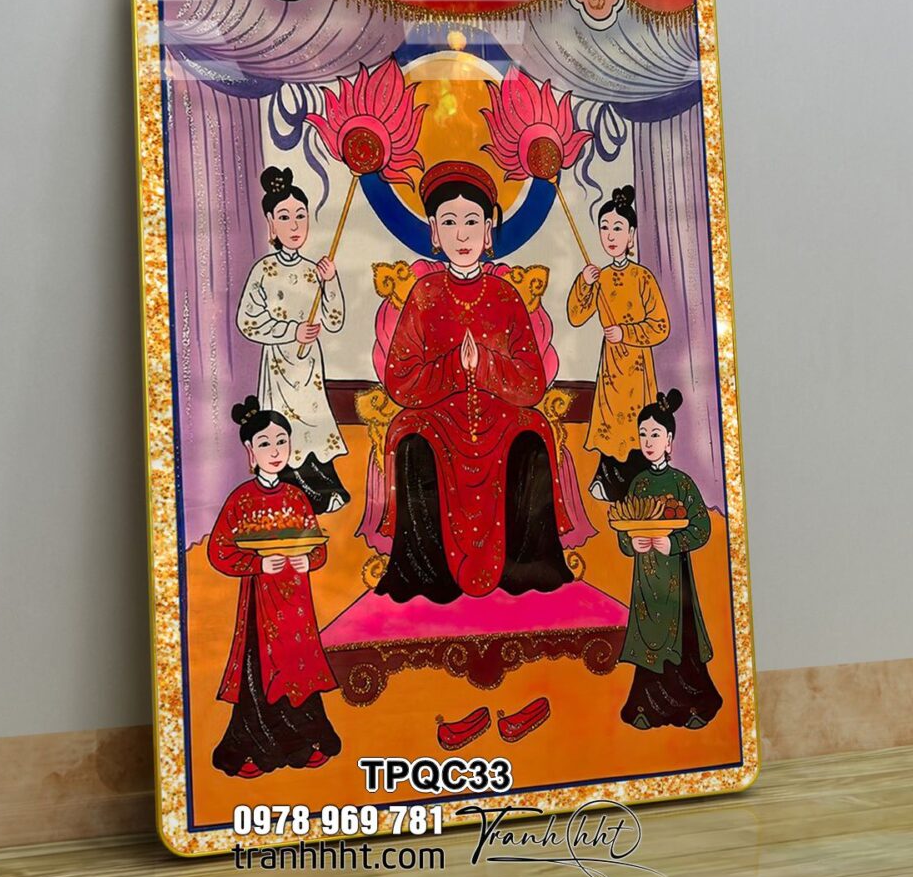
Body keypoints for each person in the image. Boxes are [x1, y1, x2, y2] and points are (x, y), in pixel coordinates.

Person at [375, 159, 574, 603]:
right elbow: (399, 380)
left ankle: (527, 568)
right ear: (434, 231)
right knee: (411, 444)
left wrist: (484, 364)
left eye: (471, 222)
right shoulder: (424, 295)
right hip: (438, 420)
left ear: (488, 232)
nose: (461, 235)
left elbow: (532, 383)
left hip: (500, 418)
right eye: (449, 222)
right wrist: (452, 367)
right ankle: (428, 574)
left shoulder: (505, 295)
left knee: (532, 436)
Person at [208, 396, 341, 777]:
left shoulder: (297, 497)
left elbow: (317, 545)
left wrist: (308, 561)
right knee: (260, 673)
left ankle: (308, 742)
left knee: (298, 669)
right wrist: (257, 564)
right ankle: (253, 750)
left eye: (281, 441)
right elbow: (219, 551)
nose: (275, 451)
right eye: (264, 443)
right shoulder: (241, 499)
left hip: (296, 604)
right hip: (260, 605)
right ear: (250, 451)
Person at [237, 165, 349, 514]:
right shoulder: (263, 271)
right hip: (279, 367)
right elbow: (247, 322)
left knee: (314, 424)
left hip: (309, 368)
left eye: (300, 215)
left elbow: (334, 320)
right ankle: (297, 495)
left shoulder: (314, 270)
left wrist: (330, 282)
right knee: (287, 428)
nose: (295, 225)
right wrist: (290, 331)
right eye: (284, 217)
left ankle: (326, 488)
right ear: (271, 223)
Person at [615, 389, 722, 730]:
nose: (648, 442)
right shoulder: (638, 484)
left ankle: (693, 708)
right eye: (643, 434)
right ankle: (645, 708)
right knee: (649, 640)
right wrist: (633, 541)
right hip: (646, 580)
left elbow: (702, 528)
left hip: (676, 580)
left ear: (670, 440)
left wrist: (672, 543)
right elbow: (623, 528)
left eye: (655, 434)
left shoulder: (681, 484)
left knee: (680, 642)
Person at [566, 185, 670, 501]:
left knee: (637, 426)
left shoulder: (642, 278)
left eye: (618, 228)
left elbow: (661, 326)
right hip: (611, 368)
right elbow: (576, 316)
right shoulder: (601, 278)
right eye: (605, 228)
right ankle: (608, 482)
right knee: (611, 424)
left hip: (636, 368)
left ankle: (639, 486)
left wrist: (626, 333)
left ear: (631, 235)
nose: (610, 235)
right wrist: (584, 283)